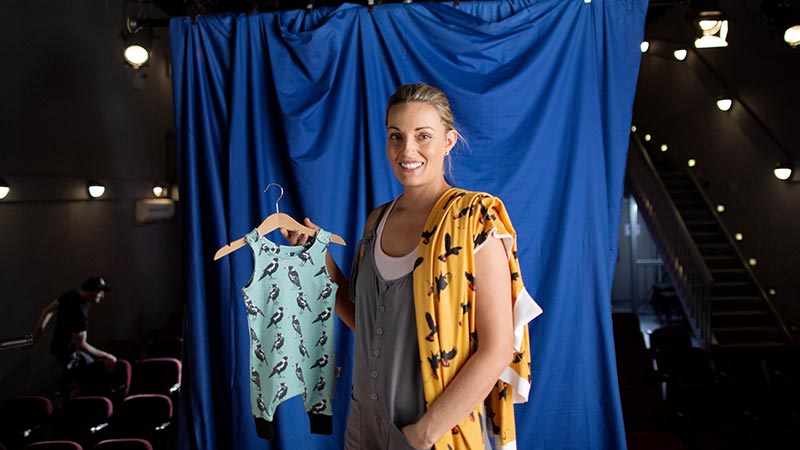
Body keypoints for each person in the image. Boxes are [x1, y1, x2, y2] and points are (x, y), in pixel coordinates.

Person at [284, 83, 541, 450]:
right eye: (396, 136)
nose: (408, 150)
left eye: (423, 136)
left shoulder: (474, 221)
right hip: (364, 426)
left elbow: (497, 348)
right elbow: (369, 323)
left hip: (435, 432)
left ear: (449, 141)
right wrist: (318, 259)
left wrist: (421, 435)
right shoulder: (377, 221)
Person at [30, 277, 118, 395]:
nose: (102, 295)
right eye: (100, 292)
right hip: (70, 352)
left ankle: (66, 391)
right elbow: (80, 343)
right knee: (95, 376)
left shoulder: (71, 294)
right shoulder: (81, 310)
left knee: (84, 378)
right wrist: (106, 355)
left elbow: (47, 310)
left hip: (58, 348)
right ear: (92, 291)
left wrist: (35, 337)